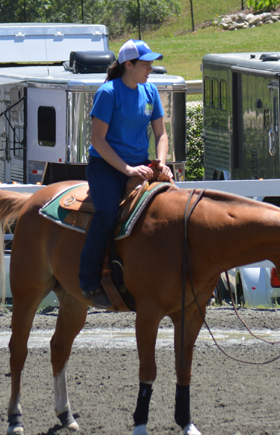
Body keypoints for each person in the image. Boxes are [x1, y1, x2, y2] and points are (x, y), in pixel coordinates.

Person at [79, 39, 173, 308]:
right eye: (146, 64)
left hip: (141, 166)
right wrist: (128, 169)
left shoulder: (150, 91)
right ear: (128, 65)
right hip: (107, 168)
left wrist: (161, 163)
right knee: (107, 213)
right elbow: (98, 140)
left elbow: (161, 134)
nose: (151, 69)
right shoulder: (109, 93)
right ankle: (88, 281)